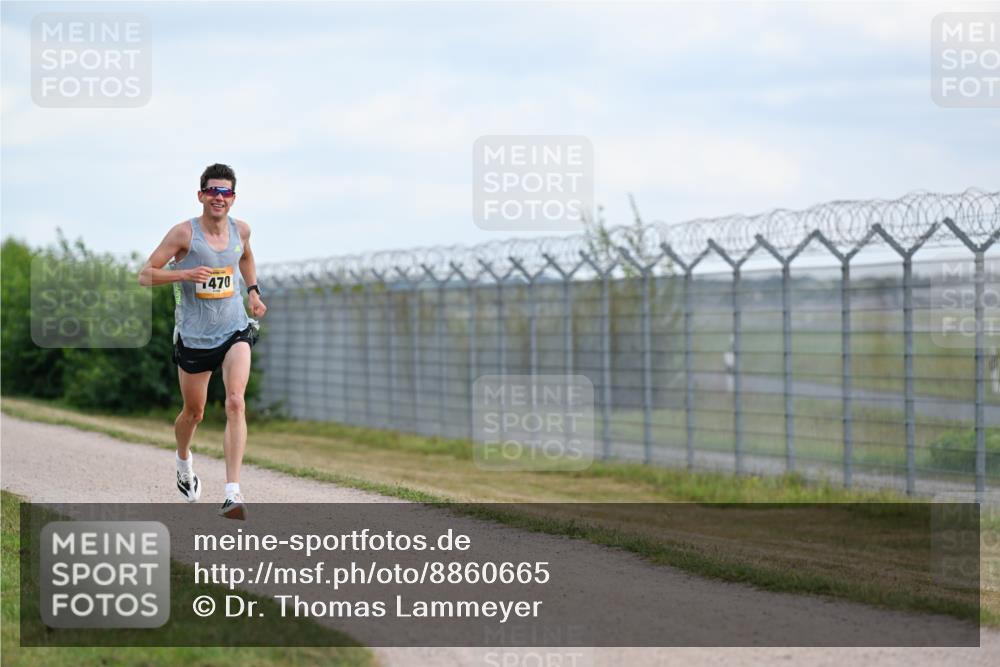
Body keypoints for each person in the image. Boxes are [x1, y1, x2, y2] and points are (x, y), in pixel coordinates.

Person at [138, 163, 267, 520]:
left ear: (233, 198)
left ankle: (232, 493)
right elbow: (145, 275)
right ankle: (183, 461)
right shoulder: (183, 234)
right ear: (201, 195)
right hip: (194, 337)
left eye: (225, 192)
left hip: (234, 329)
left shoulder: (242, 230)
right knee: (194, 413)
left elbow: (246, 257)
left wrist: (254, 292)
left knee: (236, 402)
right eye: (213, 191)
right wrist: (185, 273)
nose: (219, 198)